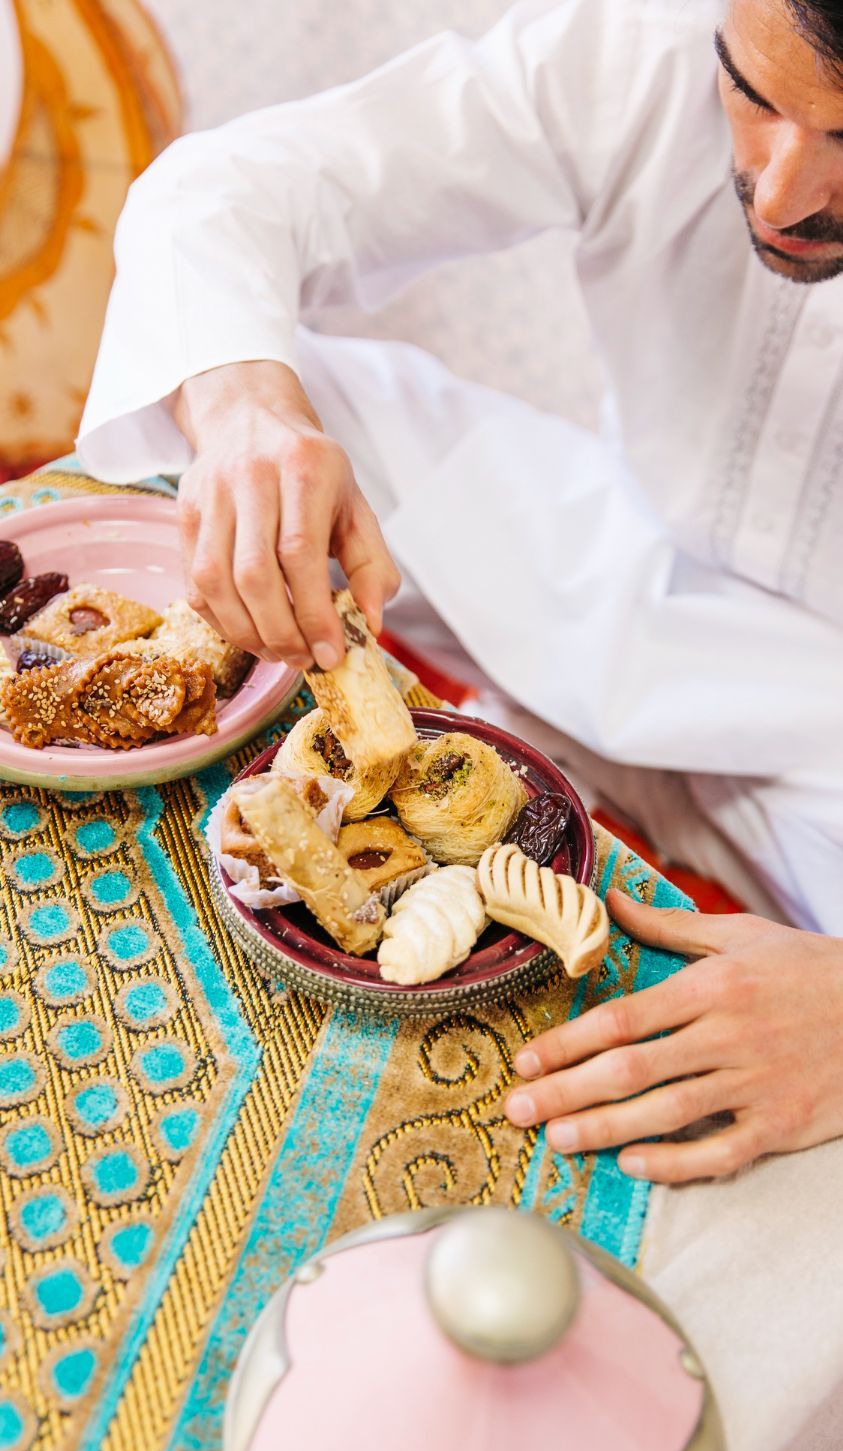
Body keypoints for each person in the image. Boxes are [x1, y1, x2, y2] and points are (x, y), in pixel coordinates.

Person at [78, 0, 843, 1183]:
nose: (785, 191)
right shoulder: (651, 46)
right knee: (281, 396)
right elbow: (233, 188)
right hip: (607, 565)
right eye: (753, 95)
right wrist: (247, 412)